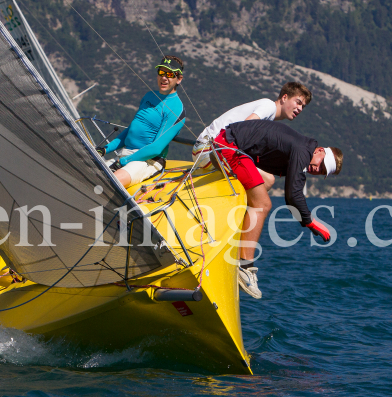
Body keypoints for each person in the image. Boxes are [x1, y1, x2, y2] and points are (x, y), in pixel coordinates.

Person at [215, 119, 342, 299]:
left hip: (231, 145)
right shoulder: (302, 150)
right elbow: (293, 196)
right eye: (321, 165)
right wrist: (311, 223)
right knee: (263, 204)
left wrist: (306, 220)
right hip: (228, 146)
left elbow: (293, 194)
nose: (316, 169)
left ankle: (236, 234)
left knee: (268, 181)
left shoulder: (303, 149)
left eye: (322, 172)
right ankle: (245, 267)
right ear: (320, 150)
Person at [191, 82, 313, 189]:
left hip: (202, 150)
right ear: (284, 97)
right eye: (298, 102)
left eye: (303, 106)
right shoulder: (268, 106)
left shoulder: (269, 117)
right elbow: (243, 130)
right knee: (268, 180)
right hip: (209, 151)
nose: (300, 108)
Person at [99, 56, 186, 187]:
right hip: (126, 156)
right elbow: (131, 130)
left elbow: (156, 148)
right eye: (161, 72)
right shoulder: (149, 96)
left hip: (149, 161)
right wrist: (105, 150)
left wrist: (123, 162)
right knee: (90, 174)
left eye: (169, 74)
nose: (164, 77)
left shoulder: (177, 108)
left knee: (110, 181)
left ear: (179, 79)